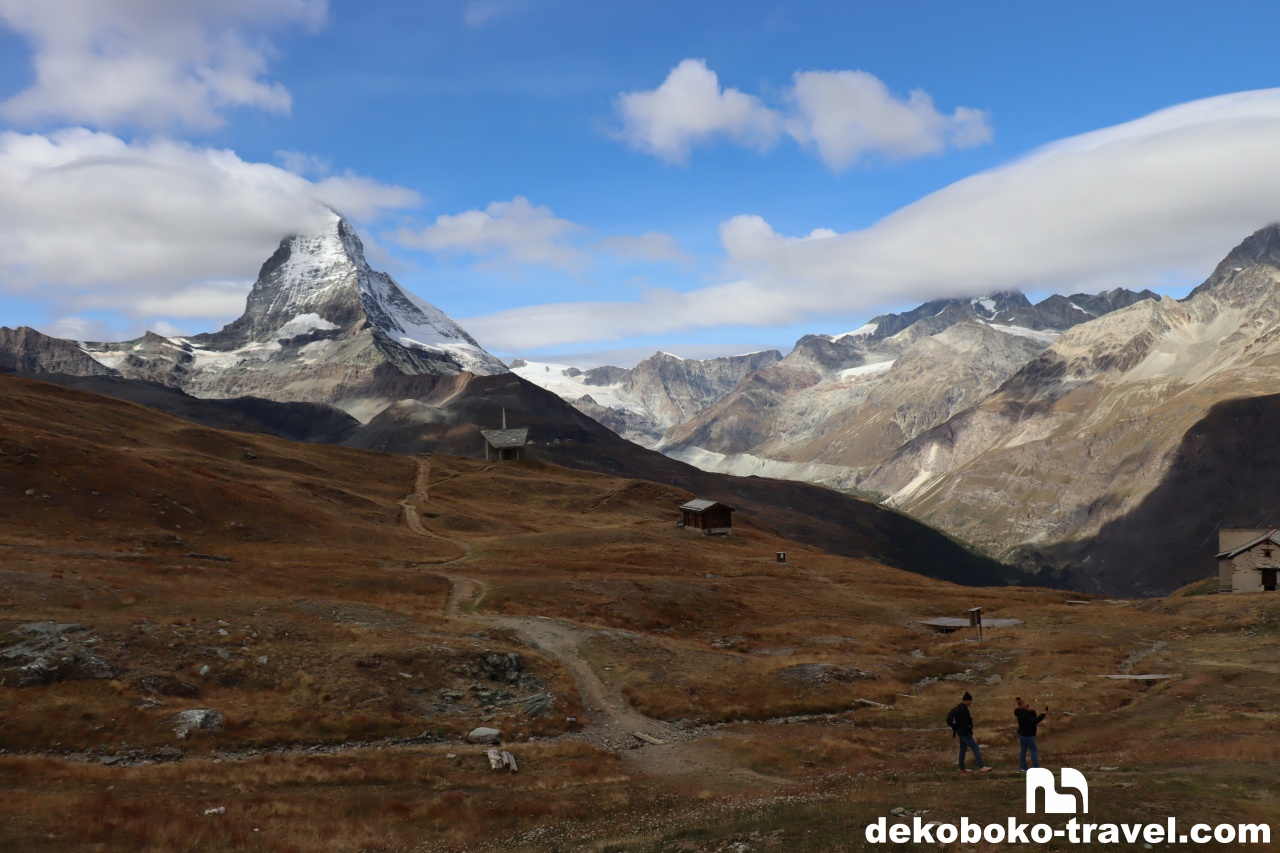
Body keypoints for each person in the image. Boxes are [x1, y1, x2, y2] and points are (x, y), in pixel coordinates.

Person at [946, 692, 992, 774]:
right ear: (966, 701)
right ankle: (981, 766)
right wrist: (970, 731)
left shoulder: (958, 708)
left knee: (963, 749)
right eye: (970, 701)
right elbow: (965, 723)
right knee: (975, 747)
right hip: (964, 732)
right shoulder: (964, 710)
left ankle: (962, 768)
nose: (971, 703)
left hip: (959, 731)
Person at [1014, 697, 1047, 772]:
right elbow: (1034, 721)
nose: (1029, 707)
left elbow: (1032, 716)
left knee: (1023, 749)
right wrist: (1043, 715)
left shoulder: (1019, 712)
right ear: (1023, 706)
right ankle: (1036, 767)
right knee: (1034, 749)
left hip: (1021, 733)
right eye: (1027, 706)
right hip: (1027, 735)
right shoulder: (1024, 715)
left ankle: (1023, 767)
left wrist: (1031, 711)